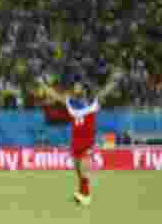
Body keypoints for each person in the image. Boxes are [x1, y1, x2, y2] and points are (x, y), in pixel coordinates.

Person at [40, 74, 121, 205]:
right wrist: (43, 85)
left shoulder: (92, 103)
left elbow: (104, 93)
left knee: (83, 169)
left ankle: (86, 196)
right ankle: (82, 193)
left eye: (78, 86)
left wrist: (114, 82)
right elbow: (55, 95)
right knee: (77, 169)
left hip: (87, 141)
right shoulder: (70, 103)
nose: (75, 88)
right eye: (74, 86)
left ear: (83, 89)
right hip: (75, 142)